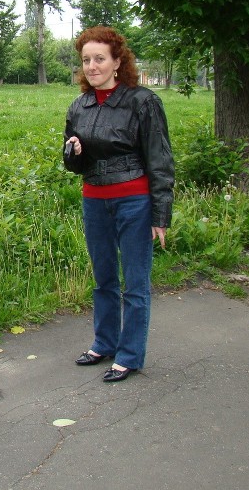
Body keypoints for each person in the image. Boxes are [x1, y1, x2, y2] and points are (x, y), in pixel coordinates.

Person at [63, 26, 174, 383]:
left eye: (99, 59)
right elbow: (74, 164)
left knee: (135, 283)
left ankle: (129, 355)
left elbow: (159, 161)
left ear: (117, 62)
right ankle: (104, 343)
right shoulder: (78, 106)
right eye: (86, 60)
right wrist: (73, 154)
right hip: (94, 201)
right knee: (103, 278)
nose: (92, 66)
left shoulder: (142, 102)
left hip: (134, 203)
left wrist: (160, 213)